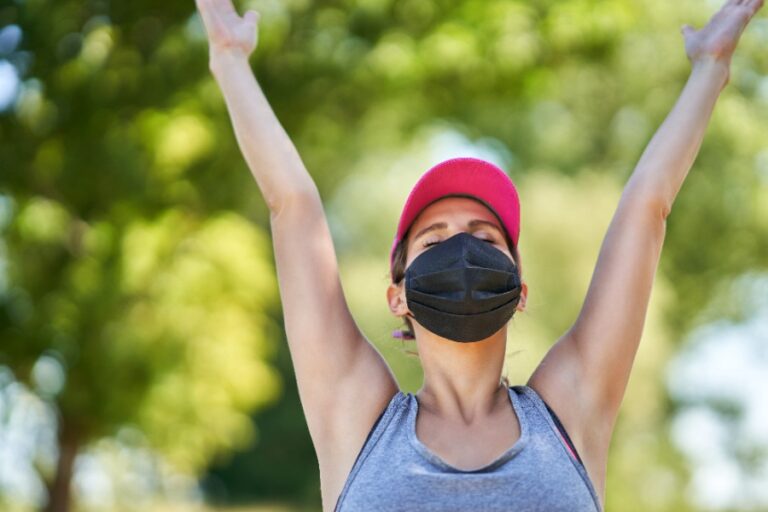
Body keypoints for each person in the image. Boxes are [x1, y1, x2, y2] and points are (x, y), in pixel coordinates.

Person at [195, 0, 764, 510]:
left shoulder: (570, 409)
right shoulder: (358, 415)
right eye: (435, 240)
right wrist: (229, 61)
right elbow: (293, 207)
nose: (462, 250)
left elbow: (647, 209)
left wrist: (712, 68)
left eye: (485, 237)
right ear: (398, 296)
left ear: (519, 290)